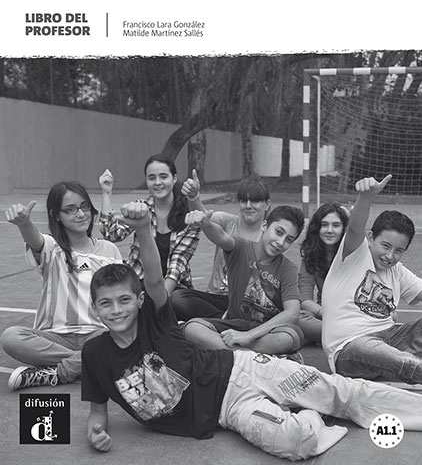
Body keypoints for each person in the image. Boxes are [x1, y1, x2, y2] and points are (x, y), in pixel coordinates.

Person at [82, 201, 422, 461]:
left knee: (343, 394)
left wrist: (144, 228)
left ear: (140, 300)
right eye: (106, 304)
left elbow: (156, 278)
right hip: (228, 409)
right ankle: (307, 411)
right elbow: (98, 412)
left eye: (124, 300)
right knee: (296, 443)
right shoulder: (95, 354)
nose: (117, 310)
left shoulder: (152, 320)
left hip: (242, 368)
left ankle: (322, 399)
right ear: (95, 308)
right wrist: (95, 431)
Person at [1, 181, 122, 390]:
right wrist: (24, 223)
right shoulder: (51, 247)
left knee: (128, 335)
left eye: (85, 206)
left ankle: (59, 371)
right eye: (71, 209)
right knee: (11, 337)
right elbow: (34, 239)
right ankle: (90, 362)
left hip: (98, 334)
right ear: (56, 215)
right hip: (53, 338)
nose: (81, 214)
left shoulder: (109, 250)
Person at [322, 174, 422, 384]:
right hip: (351, 348)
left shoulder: (397, 271)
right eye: (385, 246)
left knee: (393, 356)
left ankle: (402, 364)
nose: (389, 256)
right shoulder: (354, 255)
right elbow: (355, 227)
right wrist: (366, 197)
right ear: (370, 238)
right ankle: (409, 365)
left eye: (398, 251)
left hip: (392, 339)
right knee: (383, 354)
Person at [181, 205, 305, 356]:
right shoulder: (241, 248)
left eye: (288, 240)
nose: (280, 242)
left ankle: (237, 355)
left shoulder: (288, 268)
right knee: (192, 329)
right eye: (279, 232)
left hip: (268, 332)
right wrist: (206, 225)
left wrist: (248, 336)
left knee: (287, 338)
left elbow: (292, 313)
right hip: (234, 325)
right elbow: (221, 236)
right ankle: (253, 358)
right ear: (264, 226)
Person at [98, 155, 200, 309]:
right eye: (152, 178)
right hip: (139, 282)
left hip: (173, 287)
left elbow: (177, 264)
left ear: (174, 179)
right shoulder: (141, 208)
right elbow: (111, 234)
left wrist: (161, 302)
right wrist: (106, 193)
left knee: (178, 301)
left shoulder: (189, 215)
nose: (157, 182)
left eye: (163, 177)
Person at [170, 171, 271, 320]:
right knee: (177, 298)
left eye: (255, 201)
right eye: (244, 201)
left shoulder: (271, 234)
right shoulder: (227, 221)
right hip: (217, 298)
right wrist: (193, 196)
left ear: (267, 204)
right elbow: (204, 218)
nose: (248, 206)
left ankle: (220, 322)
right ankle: (225, 321)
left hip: (248, 302)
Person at [298, 203, 349, 344]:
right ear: (317, 228)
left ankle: (329, 337)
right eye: (324, 225)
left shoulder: (353, 255)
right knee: (296, 318)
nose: (329, 230)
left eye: (336, 225)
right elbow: (305, 300)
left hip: (351, 315)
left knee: (297, 334)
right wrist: (324, 314)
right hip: (323, 315)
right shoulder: (310, 256)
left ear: (344, 229)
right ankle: (346, 336)